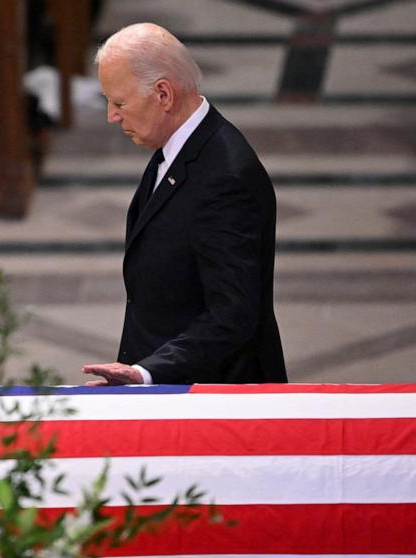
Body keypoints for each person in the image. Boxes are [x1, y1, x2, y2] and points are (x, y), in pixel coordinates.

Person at [82, 23, 286, 386]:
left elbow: (233, 315)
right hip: (169, 387)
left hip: (214, 404)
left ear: (163, 94)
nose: (112, 116)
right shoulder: (179, 149)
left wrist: (147, 373)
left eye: (119, 102)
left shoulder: (225, 177)